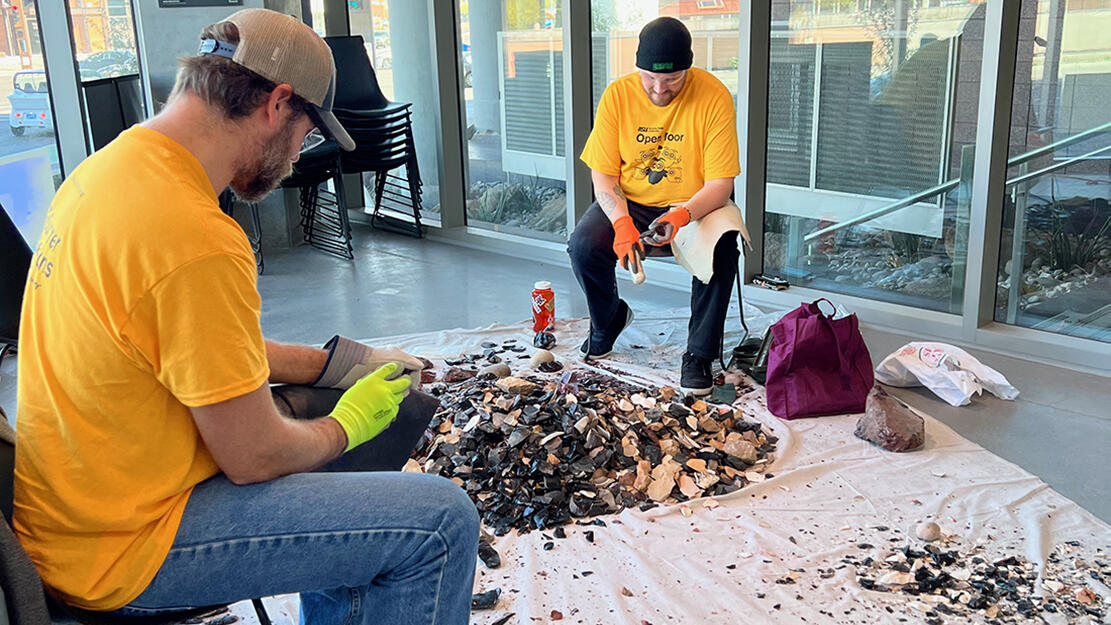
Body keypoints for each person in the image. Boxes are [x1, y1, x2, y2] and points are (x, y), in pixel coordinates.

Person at [13, 9, 477, 625]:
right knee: (439, 523)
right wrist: (349, 424)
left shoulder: (108, 170)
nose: (295, 156)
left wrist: (335, 365)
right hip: (127, 550)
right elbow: (254, 457)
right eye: (307, 135)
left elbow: (195, 343)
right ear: (277, 104)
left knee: (324, 425)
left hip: (72, 515)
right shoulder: (195, 234)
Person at [568, 17, 742, 396]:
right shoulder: (617, 95)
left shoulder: (714, 96)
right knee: (583, 246)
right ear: (638, 68)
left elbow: (720, 185)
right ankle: (608, 320)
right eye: (649, 78)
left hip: (696, 203)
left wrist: (682, 215)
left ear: (688, 68)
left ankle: (699, 354)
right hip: (632, 200)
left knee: (723, 248)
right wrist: (621, 222)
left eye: (672, 79)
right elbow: (603, 177)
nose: (659, 89)